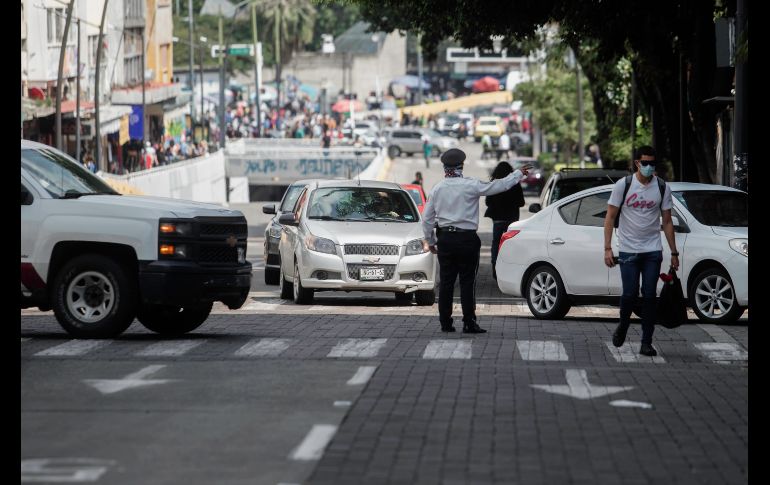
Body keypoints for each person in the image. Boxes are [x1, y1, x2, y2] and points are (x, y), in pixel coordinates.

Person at [422, 148, 530, 333]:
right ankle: (468, 322)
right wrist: (518, 174)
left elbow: (427, 219)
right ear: (461, 166)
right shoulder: (470, 185)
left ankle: (445, 323)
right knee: (467, 281)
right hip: (466, 239)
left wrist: (431, 241)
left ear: (445, 168)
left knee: (446, 283)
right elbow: (499, 186)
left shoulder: (437, 189)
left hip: (445, 238)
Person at [603, 146, 679, 357]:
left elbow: (667, 221)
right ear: (637, 163)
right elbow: (610, 217)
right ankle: (624, 325)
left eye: (652, 164)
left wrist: (674, 252)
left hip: (653, 250)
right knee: (629, 294)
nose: (649, 167)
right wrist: (608, 248)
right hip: (628, 250)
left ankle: (646, 342)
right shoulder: (624, 185)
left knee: (649, 296)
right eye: (645, 163)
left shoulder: (662, 187)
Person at [484, 161, 525, 280]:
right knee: (510, 244)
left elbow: (487, 202)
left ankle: (494, 266)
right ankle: (509, 269)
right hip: (512, 220)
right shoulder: (515, 184)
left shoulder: (494, 183)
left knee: (496, 243)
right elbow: (521, 203)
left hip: (497, 219)